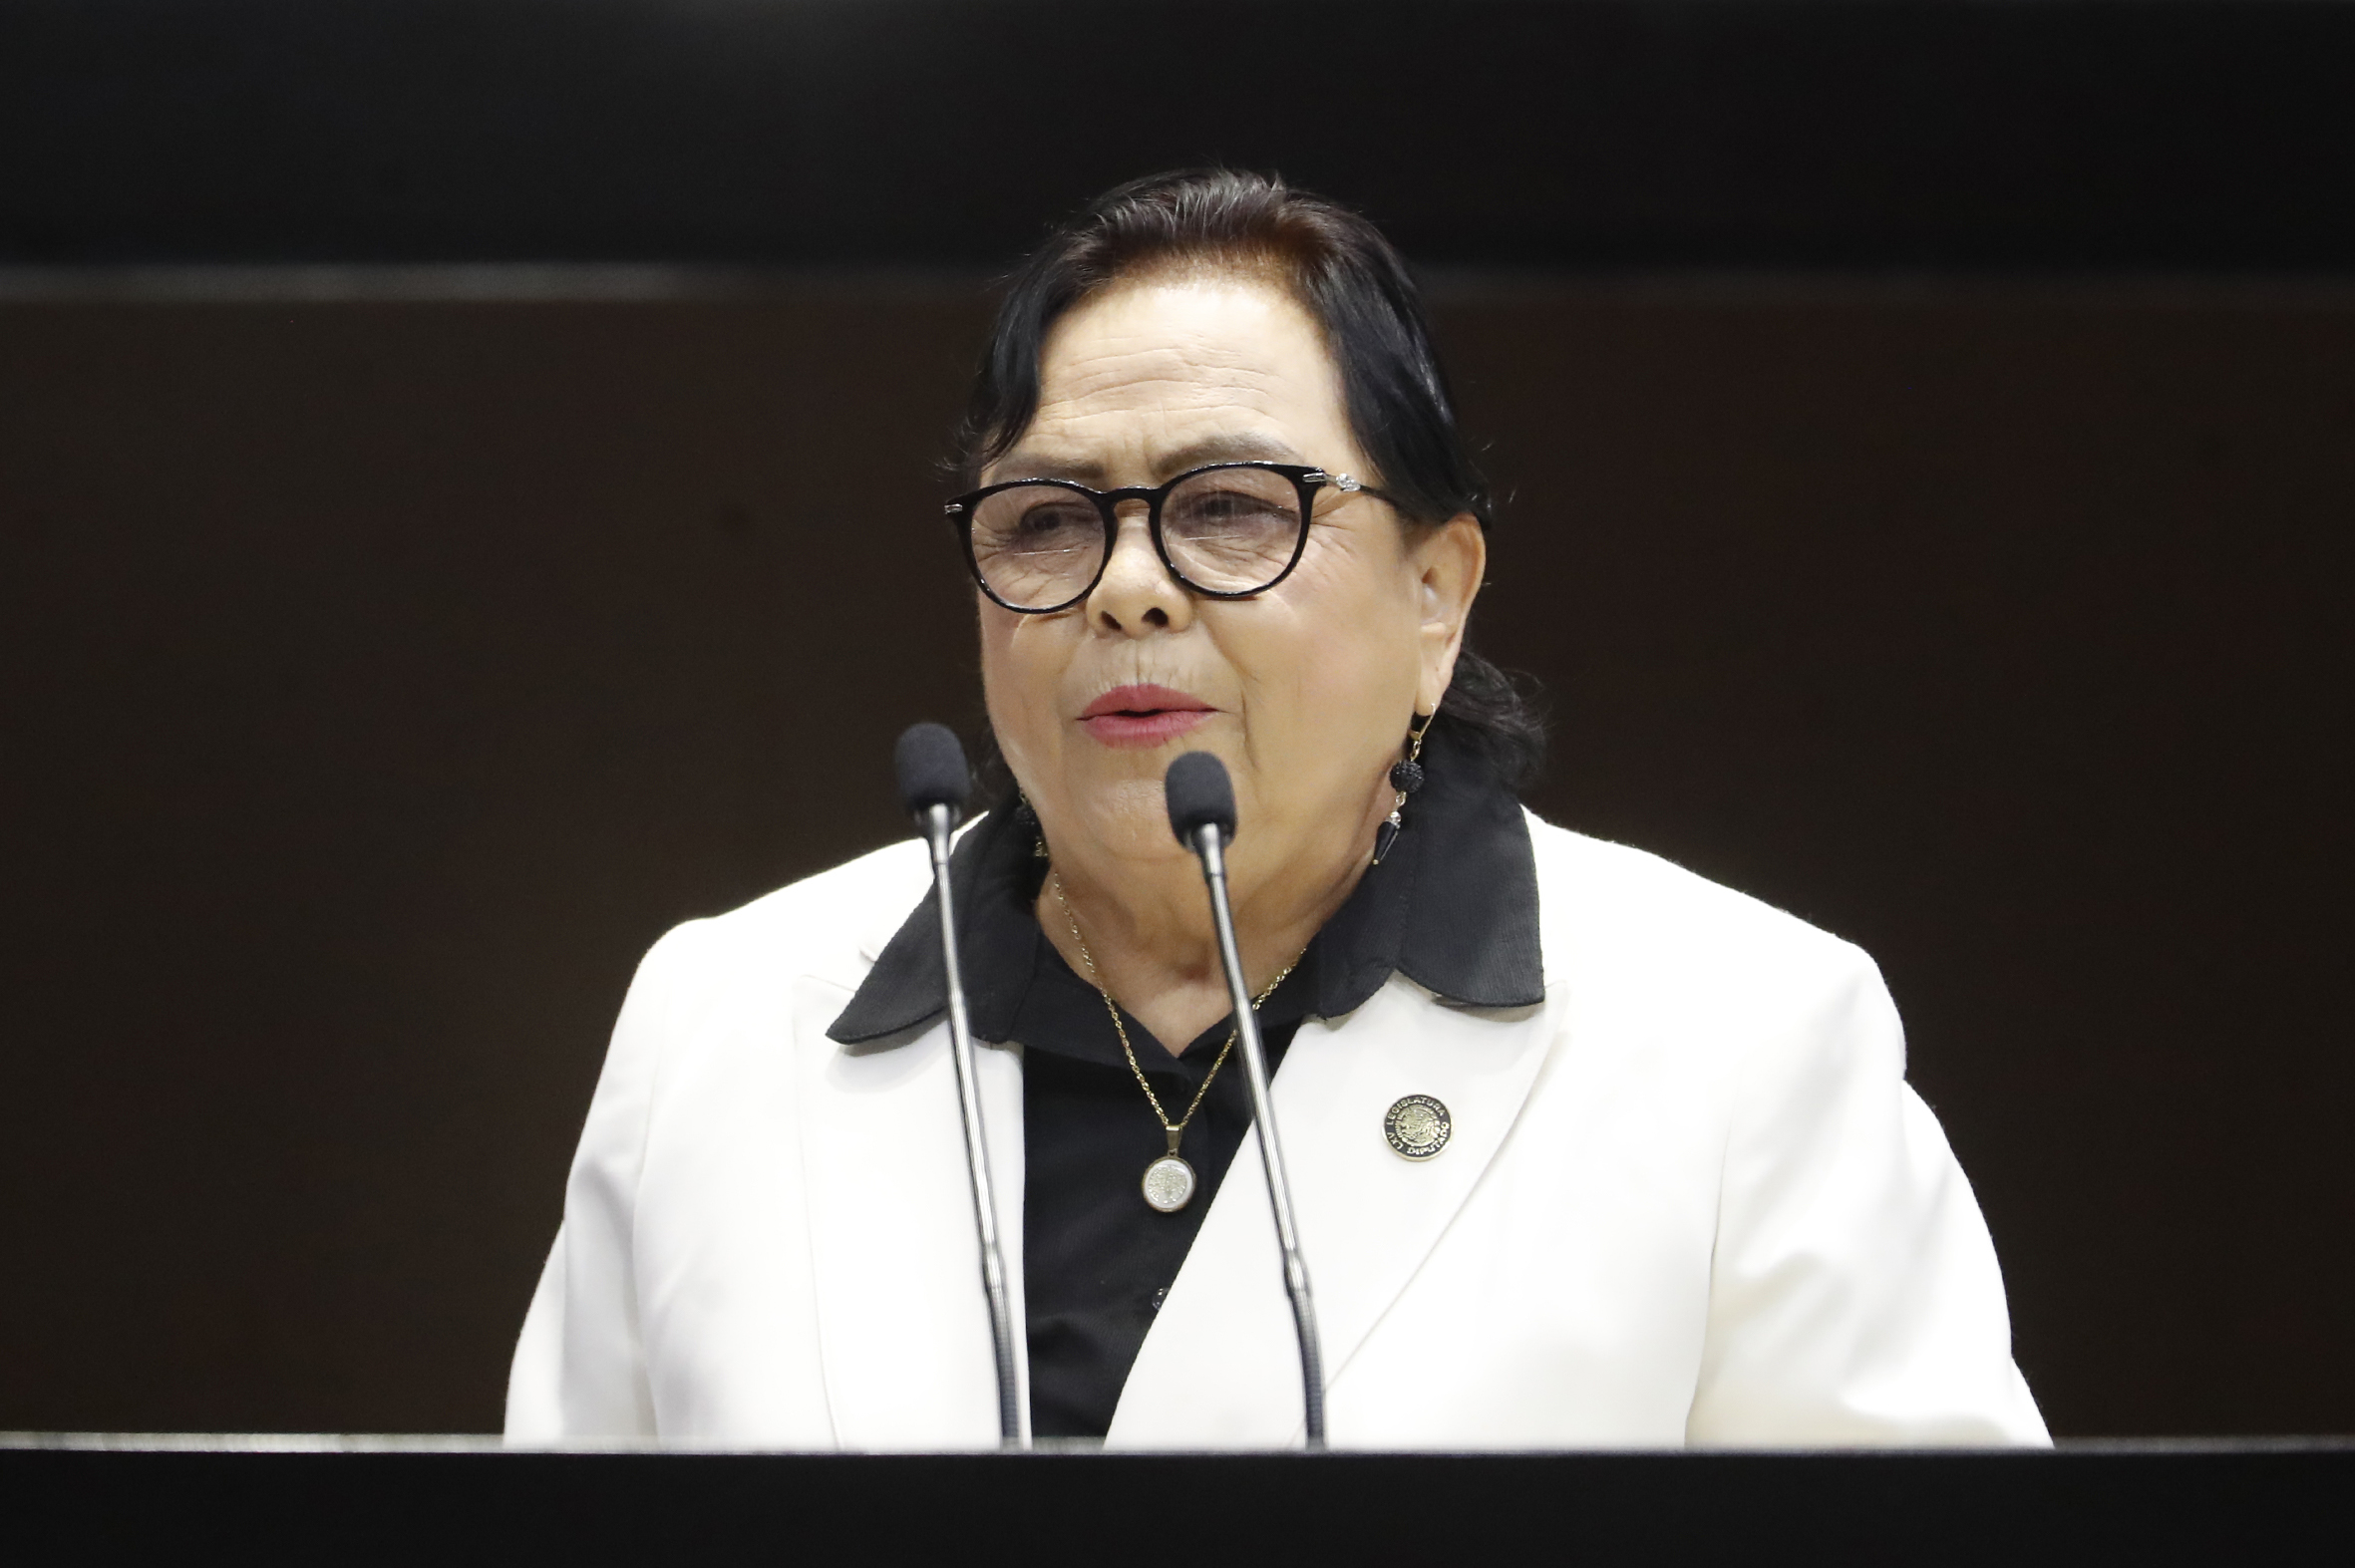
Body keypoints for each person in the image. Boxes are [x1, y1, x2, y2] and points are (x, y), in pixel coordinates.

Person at [505, 169, 2047, 1449]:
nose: (1125, 588)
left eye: (1230, 509)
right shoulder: (718, 1027)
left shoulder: (1738, 1037)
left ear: (1434, 594)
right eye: (1045, 522)